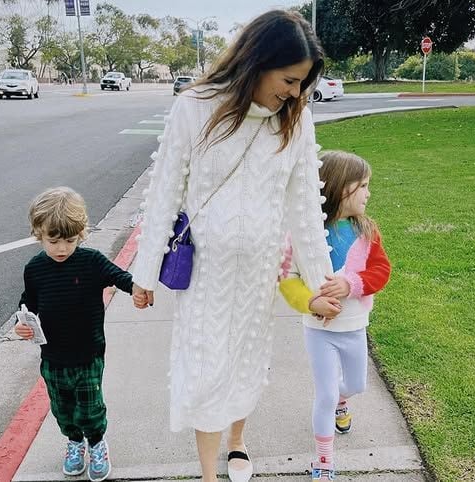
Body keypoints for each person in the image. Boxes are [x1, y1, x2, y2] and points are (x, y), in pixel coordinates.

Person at [131, 10, 335, 482]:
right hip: (205, 272)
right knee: (205, 367)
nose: (294, 93)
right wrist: (144, 275)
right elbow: (165, 192)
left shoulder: (295, 121)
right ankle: (208, 474)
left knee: (246, 360)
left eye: (302, 84)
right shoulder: (196, 106)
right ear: (258, 62)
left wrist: (321, 284)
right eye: (289, 79)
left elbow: (305, 208)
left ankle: (238, 440)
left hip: (260, 271)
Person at [279, 151, 391, 480]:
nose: (369, 193)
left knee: (355, 384)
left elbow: (381, 270)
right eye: (364, 186)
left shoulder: (367, 232)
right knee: (324, 394)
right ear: (343, 189)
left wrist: (351, 284)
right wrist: (312, 302)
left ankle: (344, 400)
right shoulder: (303, 234)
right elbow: (287, 278)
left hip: (354, 328)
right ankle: (324, 462)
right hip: (319, 331)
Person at [14, 186, 140, 482]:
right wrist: (21, 324)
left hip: (88, 355)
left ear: (81, 233)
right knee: (63, 409)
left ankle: (96, 443)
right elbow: (27, 303)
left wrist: (138, 289)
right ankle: (74, 442)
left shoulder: (91, 262)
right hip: (53, 358)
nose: (61, 248)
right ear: (39, 234)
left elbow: (120, 277)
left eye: (69, 240)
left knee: (90, 408)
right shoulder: (34, 269)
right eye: (53, 240)